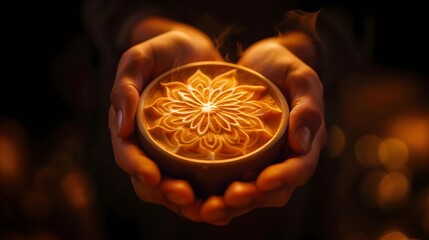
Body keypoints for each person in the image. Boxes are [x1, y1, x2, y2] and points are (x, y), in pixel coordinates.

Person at [81, 0, 359, 238]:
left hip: (296, 185)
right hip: (135, 195)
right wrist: (137, 26)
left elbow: (357, 15)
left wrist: (310, 47)